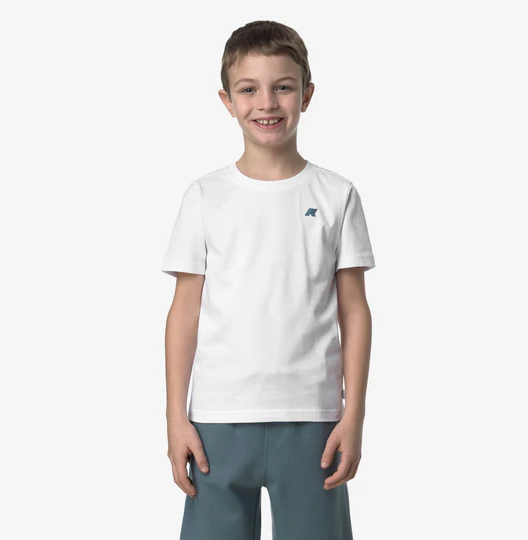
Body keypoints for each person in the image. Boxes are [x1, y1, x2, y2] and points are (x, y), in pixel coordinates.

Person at [161, 19, 376, 540]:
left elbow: (354, 310)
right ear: (226, 100)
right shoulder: (205, 196)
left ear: (307, 94)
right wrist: (175, 417)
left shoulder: (337, 195)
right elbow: (184, 311)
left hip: (314, 416)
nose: (267, 103)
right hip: (217, 416)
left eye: (282, 86)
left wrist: (354, 415)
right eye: (248, 89)